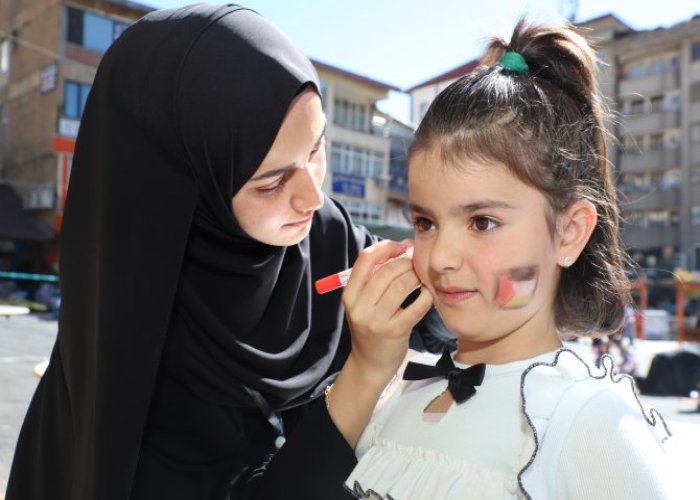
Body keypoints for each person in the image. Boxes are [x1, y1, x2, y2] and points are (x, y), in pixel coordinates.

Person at [5, 4, 436, 500]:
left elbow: (442, 308)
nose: (312, 198)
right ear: (190, 192)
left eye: (316, 149)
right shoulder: (136, 363)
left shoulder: (322, 236)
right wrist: (367, 370)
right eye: (272, 182)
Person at [333, 19, 680, 499]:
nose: (441, 257)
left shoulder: (587, 421)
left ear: (570, 232)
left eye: (482, 222)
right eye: (426, 223)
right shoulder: (398, 392)